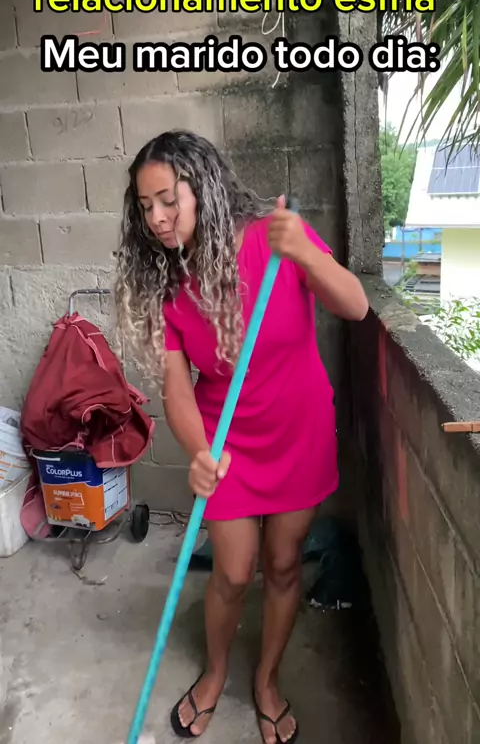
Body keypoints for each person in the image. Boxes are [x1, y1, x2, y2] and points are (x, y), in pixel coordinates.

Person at [115, 130, 369, 744]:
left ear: (201, 188)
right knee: (232, 571)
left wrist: (306, 254)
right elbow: (177, 388)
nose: (157, 218)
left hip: (299, 428)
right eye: (146, 207)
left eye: (168, 199)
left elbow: (356, 305)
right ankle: (216, 671)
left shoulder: (271, 238)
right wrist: (198, 453)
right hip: (225, 441)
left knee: (283, 563)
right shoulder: (167, 281)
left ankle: (266, 681)